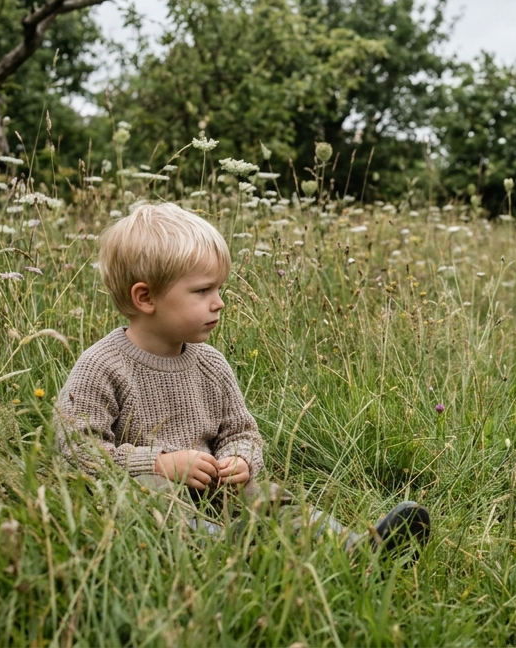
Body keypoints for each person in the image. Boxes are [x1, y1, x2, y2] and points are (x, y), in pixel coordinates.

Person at [53, 201, 429, 552]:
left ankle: (349, 547)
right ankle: (222, 553)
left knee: (266, 494)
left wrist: (239, 460)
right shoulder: (102, 366)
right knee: (153, 493)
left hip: (216, 490)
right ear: (145, 298)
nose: (218, 302)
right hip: (148, 492)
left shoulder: (210, 364)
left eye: (219, 288)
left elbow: (241, 432)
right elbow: (76, 449)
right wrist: (157, 464)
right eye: (202, 291)